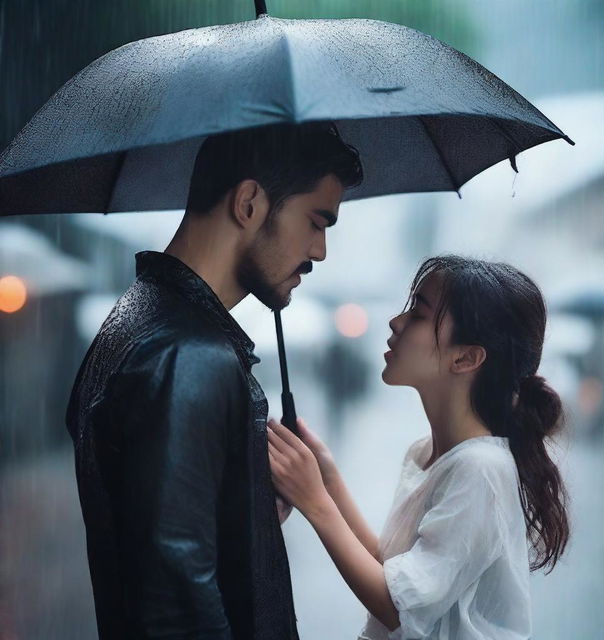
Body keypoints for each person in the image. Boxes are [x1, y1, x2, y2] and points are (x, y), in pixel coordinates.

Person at [65, 121, 363, 639]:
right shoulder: (186, 354)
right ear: (248, 203)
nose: (319, 252)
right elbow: (176, 613)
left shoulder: (137, 321)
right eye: (317, 222)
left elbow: (165, 544)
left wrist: (246, 508)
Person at [267, 255, 571, 640]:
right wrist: (327, 478)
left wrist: (314, 501)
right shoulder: (428, 453)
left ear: (466, 357)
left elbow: (397, 609)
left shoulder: (481, 469)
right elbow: (392, 574)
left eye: (419, 314)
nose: (396, 322)